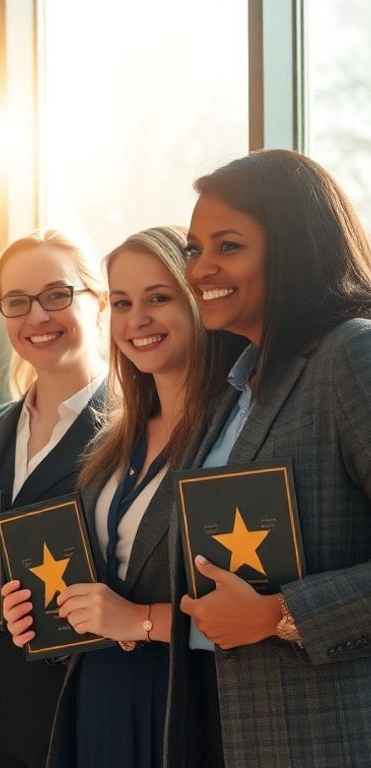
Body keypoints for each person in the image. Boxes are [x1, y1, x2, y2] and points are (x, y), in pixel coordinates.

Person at [167, 149, 371, 767]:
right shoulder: (236, 388)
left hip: (322, 738)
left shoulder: (350, 355)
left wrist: (278, 614)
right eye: (195, 249)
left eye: (228, 246)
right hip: (218, 724)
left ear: (293, 246)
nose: (201, 268)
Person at [1, 226, 203, 767]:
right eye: (123, 302)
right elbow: (97, 575)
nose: (137, 319)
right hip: (97, 692)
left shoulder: (234, 432)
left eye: (158, 298)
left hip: (184, 701)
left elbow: (258, 608)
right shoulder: (117, 438)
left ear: (197, 302)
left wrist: (137, 620)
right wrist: (37, 613)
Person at [0, 229, 108, 768]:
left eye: (57, 295)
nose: (37, 316)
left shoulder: (137, 428)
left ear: (99, 302)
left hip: (85, 710)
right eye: (17, 302)